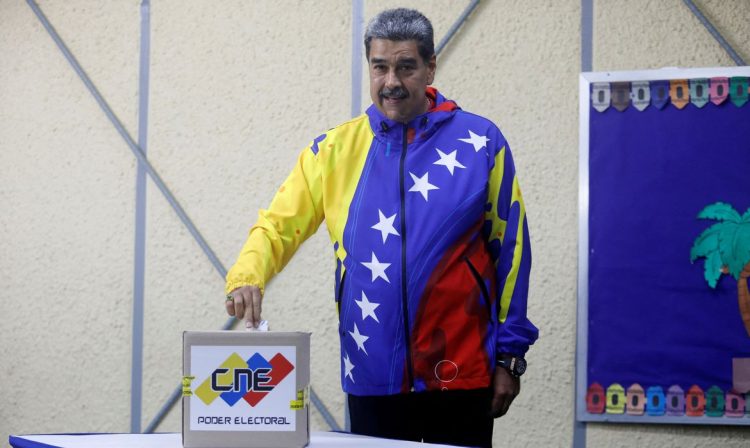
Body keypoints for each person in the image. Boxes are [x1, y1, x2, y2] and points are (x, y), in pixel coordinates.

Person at [224, 8, 538, 448]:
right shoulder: (332, 151)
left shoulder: (482, 143)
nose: (392, 81)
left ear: (430, 67)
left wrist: (510, 354)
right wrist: (247, 276)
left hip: (462, 372)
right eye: (380, 67)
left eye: (406, 66)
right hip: (373, 374)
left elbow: (513, 251)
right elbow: (277, 225)